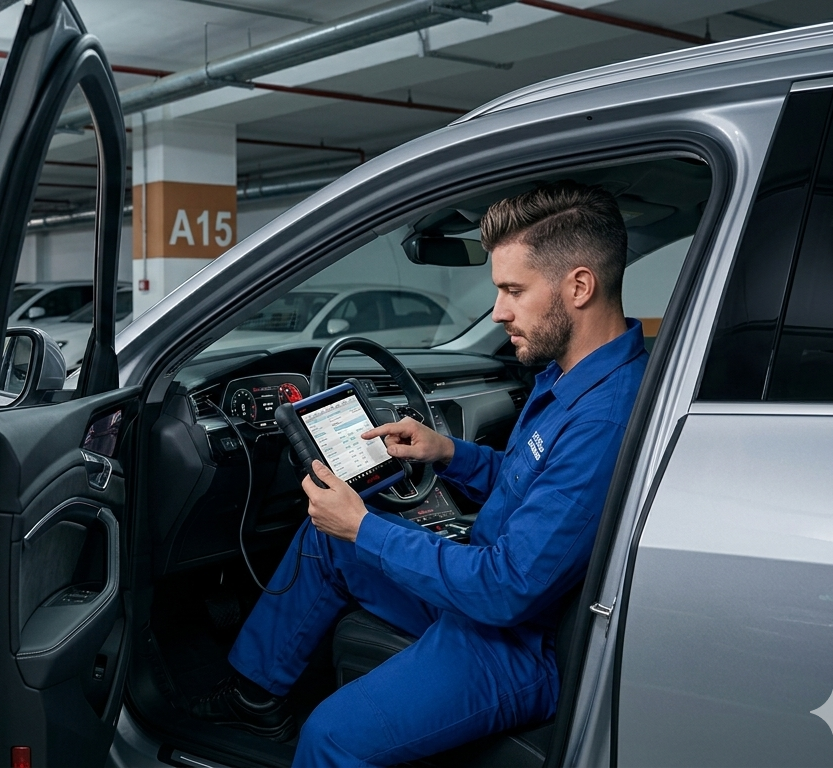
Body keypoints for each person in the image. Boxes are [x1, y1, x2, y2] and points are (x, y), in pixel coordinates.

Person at [188, 181, 651, 766]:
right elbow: (532, 481)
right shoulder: (574, 377)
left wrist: (363, 526)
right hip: (491, 595)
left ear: (579, 286)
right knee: (323, 540)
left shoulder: (603, 417)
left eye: (512, 290)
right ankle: (256, 697)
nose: (499, 312)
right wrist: (447, 453)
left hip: (514, 640)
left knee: (329, 739)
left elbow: (505, 589)